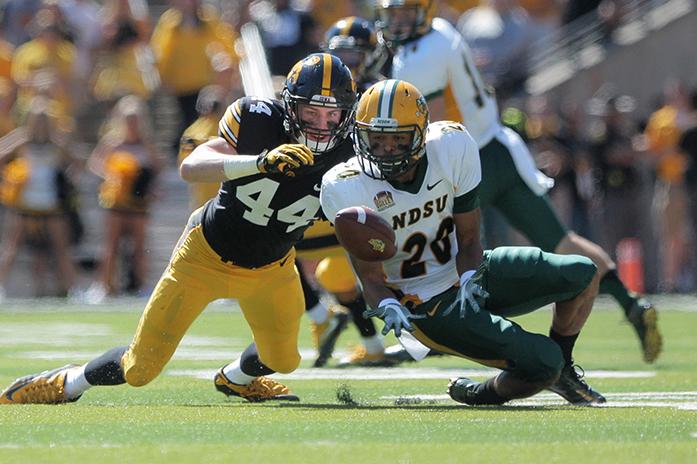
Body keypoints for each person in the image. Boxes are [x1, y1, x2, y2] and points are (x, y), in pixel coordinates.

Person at [0, 53, 357, 405]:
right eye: (311, 111)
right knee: (139, 369)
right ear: (291, 107)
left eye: (332, 114)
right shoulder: (259, 121)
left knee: (284, 360)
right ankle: (65, 381)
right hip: (204, 256)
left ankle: (235, 378)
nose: (321, 124)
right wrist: (259, 163)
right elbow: (192, 165)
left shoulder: (349, 152)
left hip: (272, 268)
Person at [375, 0, 661, 363]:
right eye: (393, 13)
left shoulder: (420, 55)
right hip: (499, 147)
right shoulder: (443, 32)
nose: (398, 21)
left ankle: (434, 334)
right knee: (561, 241)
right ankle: (630, 302)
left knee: (436, 245)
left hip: (467, 158)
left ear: (422, 12)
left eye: (405, 13)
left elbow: (437, 125)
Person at [320, 79, 605, 405]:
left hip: (467, 269)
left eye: (397, 140)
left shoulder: (451, 145)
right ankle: (480, 392)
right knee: (543, 361)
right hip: (423, 304)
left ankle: (564, 372)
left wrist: (470, 277)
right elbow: (369, 276)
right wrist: (388, 306)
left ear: (419, 134)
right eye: (376, 139)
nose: (385, 150)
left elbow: (469, 237)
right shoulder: (345, 184)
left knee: (583, 272)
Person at [293, 16, 393, 368]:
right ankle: (366, 339)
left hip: (366, 199)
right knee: (330, 275)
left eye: (356, 56)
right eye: (343, 56)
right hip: (329, 198)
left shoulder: (382, 96)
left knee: (274, 247)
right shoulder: (321, 92)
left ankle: (324, 318)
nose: (349, 65)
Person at [85, 95, 164, 301]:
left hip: (139, 202)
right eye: (129, 119)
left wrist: (151, 186)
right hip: (117, 202)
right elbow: (95, 164)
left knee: (139, 246)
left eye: (136, 119)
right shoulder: (113, 142)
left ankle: (142, 285)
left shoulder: (147, 144)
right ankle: (104, 286)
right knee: (111, 246)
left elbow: (158, 168)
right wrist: (112, 177)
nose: (133, 123)